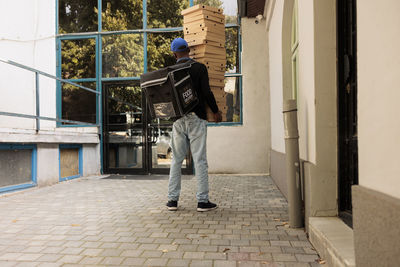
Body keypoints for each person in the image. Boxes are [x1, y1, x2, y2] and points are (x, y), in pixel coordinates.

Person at [166, 37, 222, 212]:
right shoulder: (199, 68)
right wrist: (215, 110)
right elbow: (206, 92)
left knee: (176, 160)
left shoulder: (170, 71)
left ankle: (172, 201)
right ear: (188, 50)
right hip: (196, 118)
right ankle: (202, 202)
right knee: (200, 160)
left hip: (178, 120)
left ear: (175, 54)